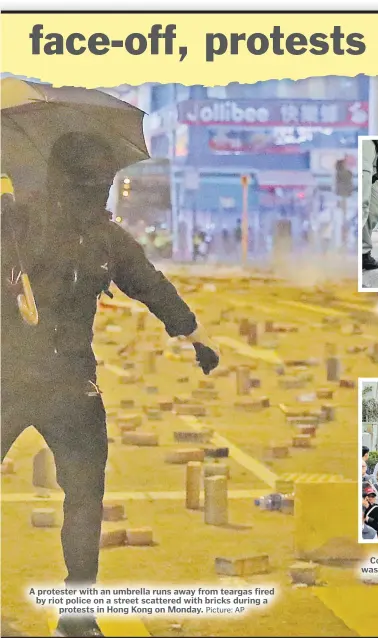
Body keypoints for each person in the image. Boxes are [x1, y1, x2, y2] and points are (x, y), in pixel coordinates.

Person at [1, 133, 221, 638]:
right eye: (94, 181)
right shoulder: (30, 222)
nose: (97, 190)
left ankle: (78, 616)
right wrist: (195, 336)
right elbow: (150, 284)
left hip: (45, 382)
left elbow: (148, 283)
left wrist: (191, 332)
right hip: (41, 380)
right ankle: (78, 618)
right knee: (84, 500)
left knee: (84, 499)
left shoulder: (33, 222)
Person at [360, 139, 378, 271]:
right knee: (362, 203)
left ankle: (364, 253)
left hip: (376, 149)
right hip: (366, 142)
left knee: (374, 210)